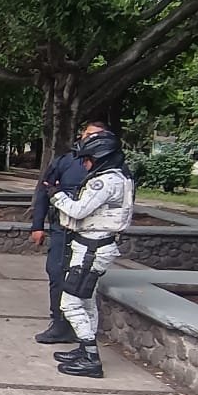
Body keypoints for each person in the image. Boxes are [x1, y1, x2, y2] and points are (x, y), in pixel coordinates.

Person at [48, 130, 134, 378]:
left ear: (100, 157)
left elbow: (78, 210)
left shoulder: (105, 181)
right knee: (86, 299)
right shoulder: (120, 178)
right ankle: (85, 350)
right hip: (97, 245)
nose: (84, 164)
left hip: (92, 247)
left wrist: (56, 196)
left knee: (70, 302)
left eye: (87, 159)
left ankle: (91, 356)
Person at [30, 125, 96, 345]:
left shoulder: (112, 171)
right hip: (62, 229)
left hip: (91, 233)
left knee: (82, 280)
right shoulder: (66, 161)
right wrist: (37, 225)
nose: (88, 140)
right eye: (86, 135)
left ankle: (84, 332)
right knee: (56, 272)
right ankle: (59, 324)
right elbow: (44, 190)